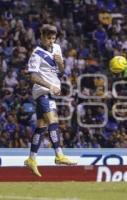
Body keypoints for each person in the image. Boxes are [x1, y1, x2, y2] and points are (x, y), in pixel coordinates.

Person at [24, 24, 76, 177]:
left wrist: (60, 62)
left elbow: (60, 71)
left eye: (53, 38)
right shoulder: (36, 54)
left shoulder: (57, 48)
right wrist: (50, 86)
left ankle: (31, 159)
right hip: (42, 92)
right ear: (42, 37)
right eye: (48, 38)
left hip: (51, 93)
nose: (51, 41)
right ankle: (59, 155)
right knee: (53, 122)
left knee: (41, 127)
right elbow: (32, 77)